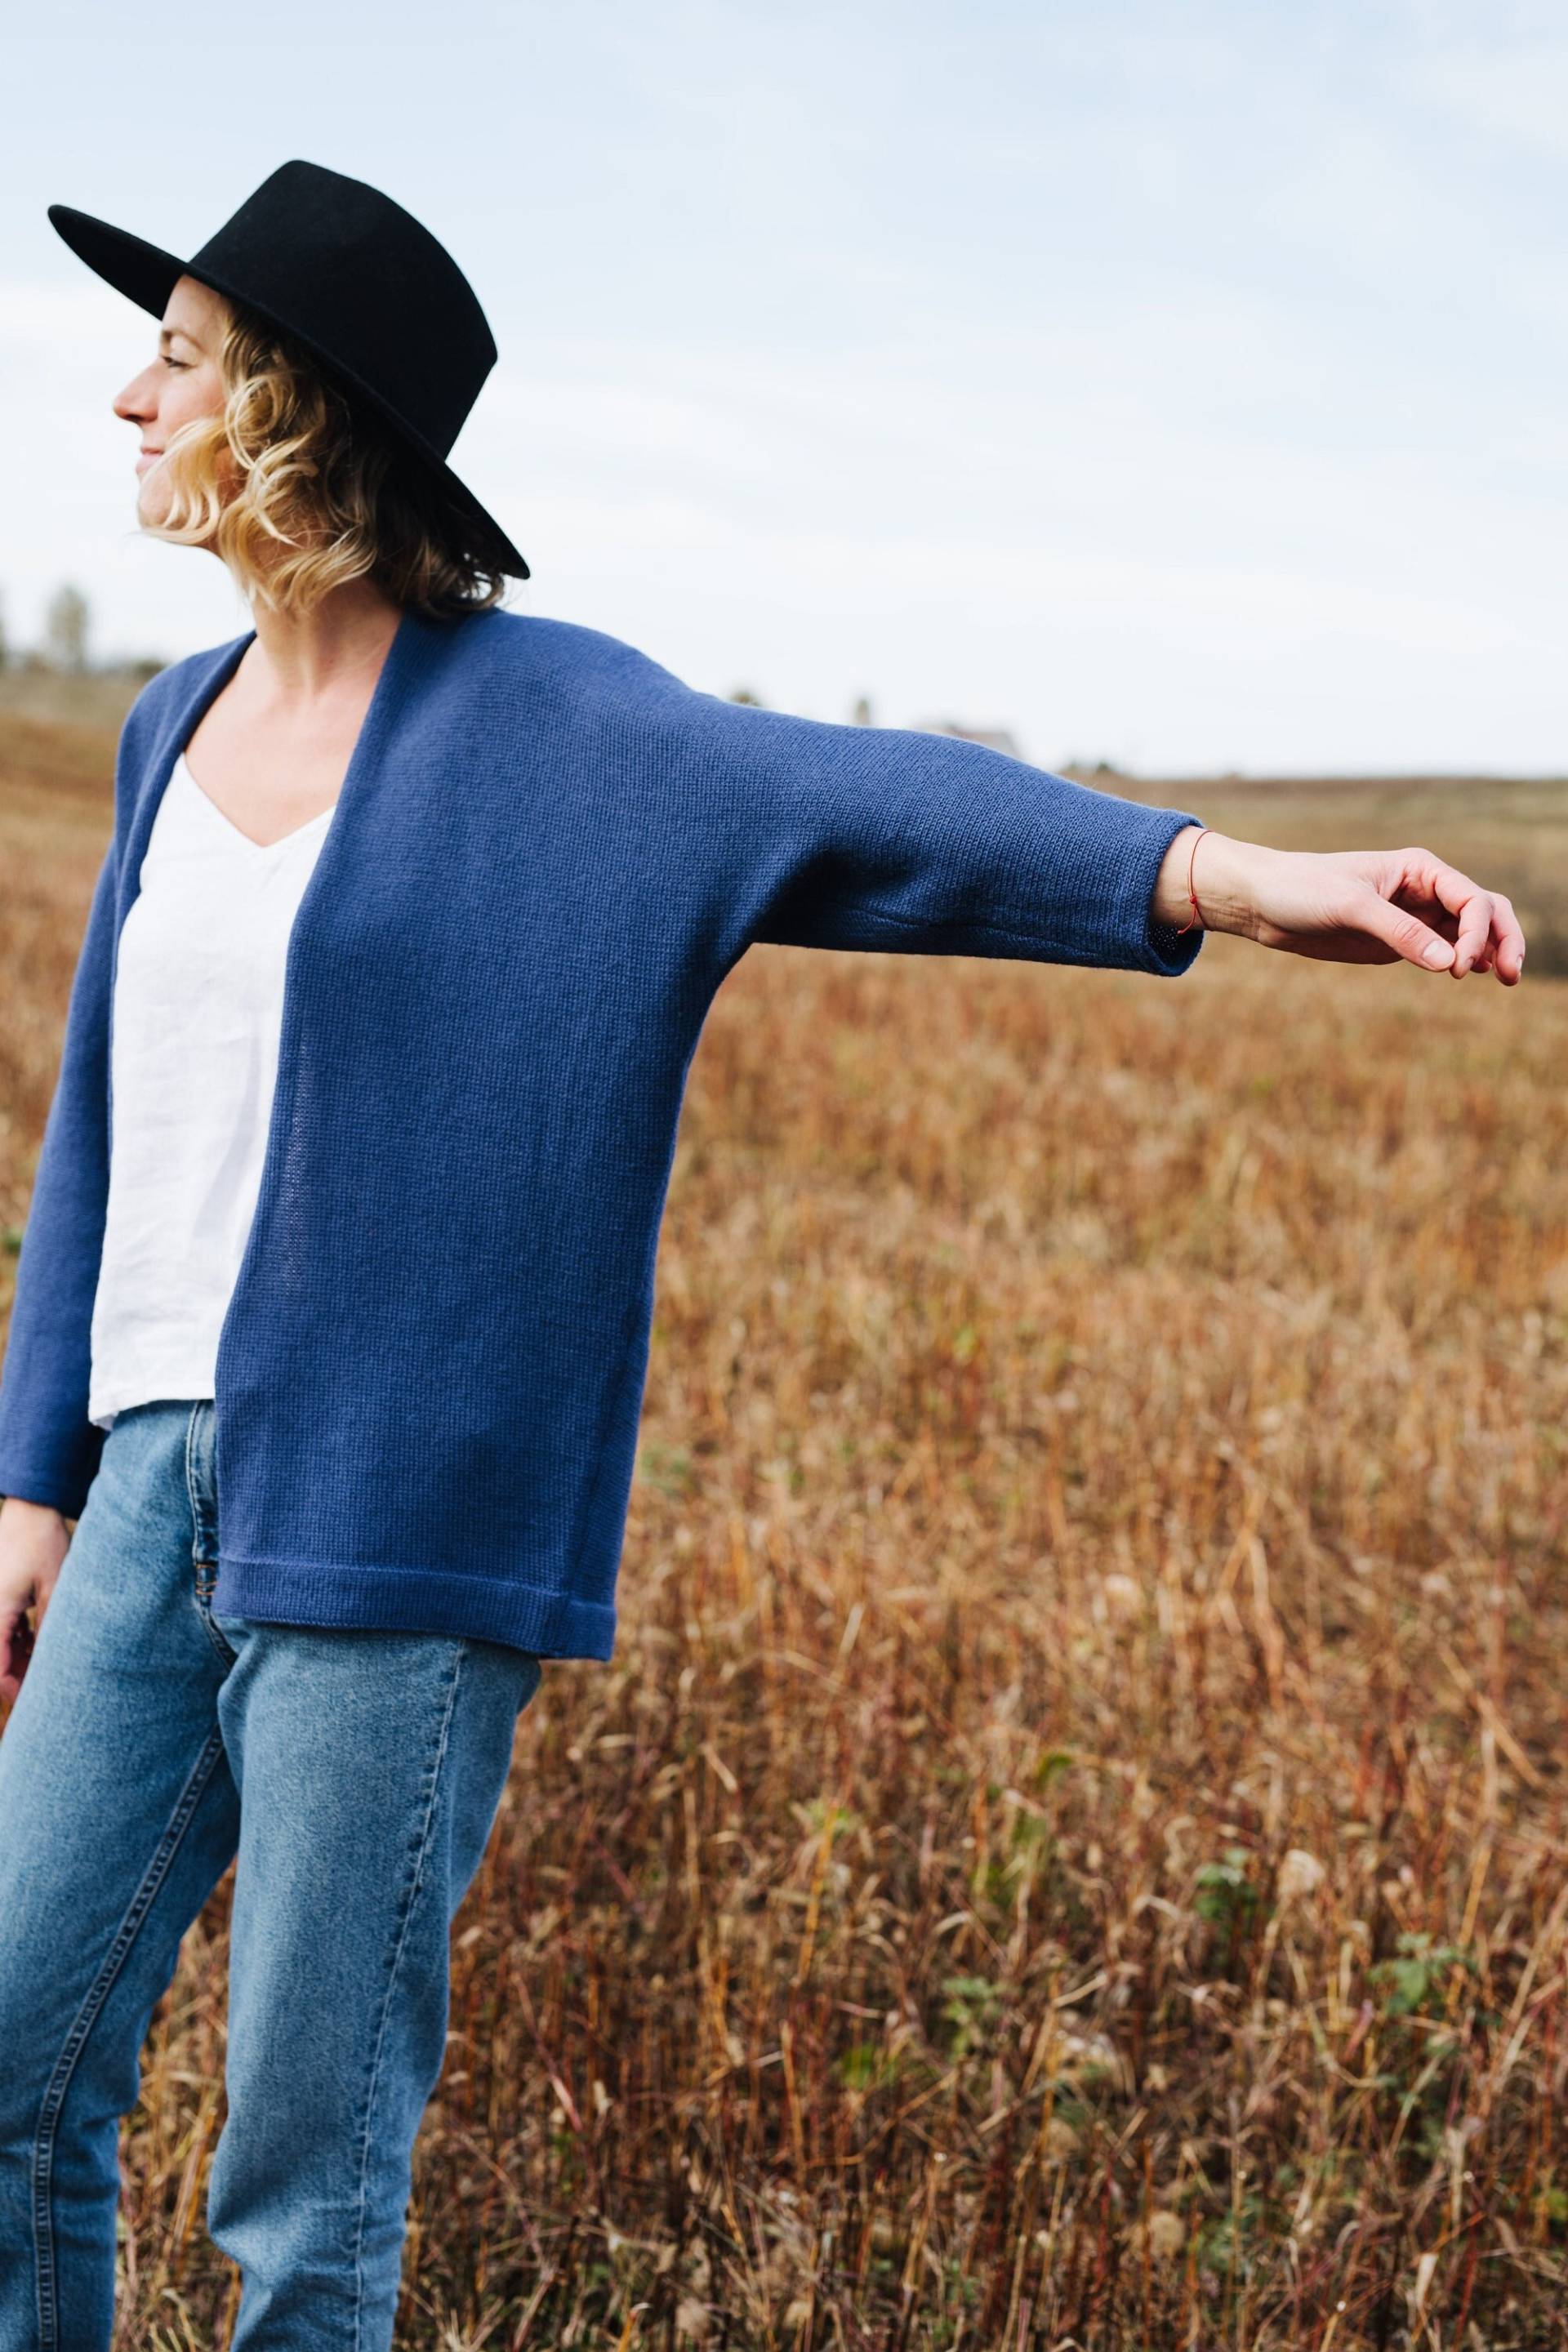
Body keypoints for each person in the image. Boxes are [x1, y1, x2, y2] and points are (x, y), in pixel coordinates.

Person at [0, 161, 1526, 2352]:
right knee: (7, 2063)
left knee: (300, 2195)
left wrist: (1233, 871)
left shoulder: (567, 732)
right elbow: (104, 1121)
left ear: (300, 411)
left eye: (179, 353)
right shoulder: (170, 725)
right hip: (146, 1492)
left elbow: (885, 803)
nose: (129, 397)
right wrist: (34, 1477)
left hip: (400, 1536)